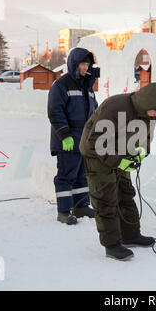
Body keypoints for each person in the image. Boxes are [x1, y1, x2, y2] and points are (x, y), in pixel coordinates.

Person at [79, 82, 156, 261]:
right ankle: (112, 245)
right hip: (96, 153)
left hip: (120, 152)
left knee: (125, 193)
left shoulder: (149, 112)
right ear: (147, 103)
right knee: (105, 198)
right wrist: (118, 162)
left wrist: (141, 153)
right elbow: (96, 141)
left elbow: (145, 137)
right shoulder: (116, 107)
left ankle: (130, 236)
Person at [47, 47, 99, 225]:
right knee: (66, 175)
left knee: (81, 175)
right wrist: (64, 135)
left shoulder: (88, 87)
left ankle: (81, 206)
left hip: (84, 140)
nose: (86, 68)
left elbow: (95, 111)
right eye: (83, 64)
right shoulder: (62, 85)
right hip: (67, 140)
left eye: (87, 64)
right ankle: (63, 211)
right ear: (74, 64)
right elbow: (55, 111)